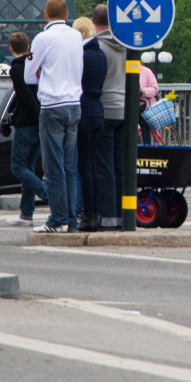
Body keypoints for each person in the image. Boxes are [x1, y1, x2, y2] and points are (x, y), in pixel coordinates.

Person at [26, 0, 84, 233]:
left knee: (53, 167)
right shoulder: (76, 36)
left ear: (45, 14)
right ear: (67, 14)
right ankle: (71, 218)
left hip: (52, 106)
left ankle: (57, 218)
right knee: (70, 165)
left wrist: (43, 73)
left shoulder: (43, 38)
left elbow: (28, 76)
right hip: (74, 105)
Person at [5, 32, 46, 227]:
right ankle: (26, 213)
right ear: (28, 46)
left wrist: (36, 115)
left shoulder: (16, 69)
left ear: (11, 48)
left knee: (18, 167)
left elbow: (24, 96)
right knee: (29, 167)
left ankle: (48, 194)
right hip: (39, 123)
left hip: (26, 123)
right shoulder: (35, 65)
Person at [93, 5, 127, 229]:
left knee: (103, 165)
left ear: (94, 22)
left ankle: (107, 216)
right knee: (120, 165)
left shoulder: (97, 47)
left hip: (104, 109)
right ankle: (124, 215)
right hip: (125, 111)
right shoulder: (126, 47)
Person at [75, 20, 107, 230]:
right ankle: (95, 212)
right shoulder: (100, 55)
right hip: (98, 110)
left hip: (84, 110)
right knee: (94, 165)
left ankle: (87, 214)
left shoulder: (82, 56)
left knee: (83, 166)